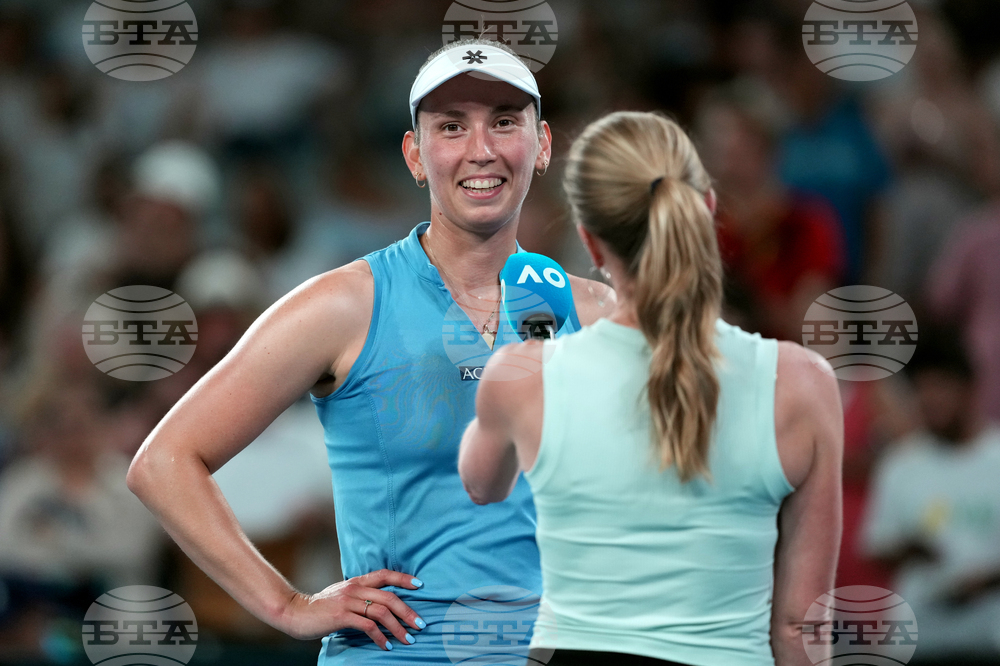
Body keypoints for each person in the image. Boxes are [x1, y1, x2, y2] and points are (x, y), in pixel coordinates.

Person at [127, 38, 608, 664]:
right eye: (452, 127)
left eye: (505, 123)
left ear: (541, 145)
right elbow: (163, 462)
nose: (481, 150)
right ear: (415, 154)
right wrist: (287, 605)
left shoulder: (597, 311)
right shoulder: (343, 306)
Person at [458, 111, 843, 666]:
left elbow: (481, 485)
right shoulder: (804, 384)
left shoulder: (522, 378)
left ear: (590, 243)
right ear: (706, 209)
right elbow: (799, 623)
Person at [861, 326, 1000, 665]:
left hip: (990, 637)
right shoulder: (902, 463)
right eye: (921, 388)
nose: (931, 399)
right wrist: (912, 549)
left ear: (967, 388)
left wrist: (987, 579)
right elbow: (875, 547)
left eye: (940, 386)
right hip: (921, 640)